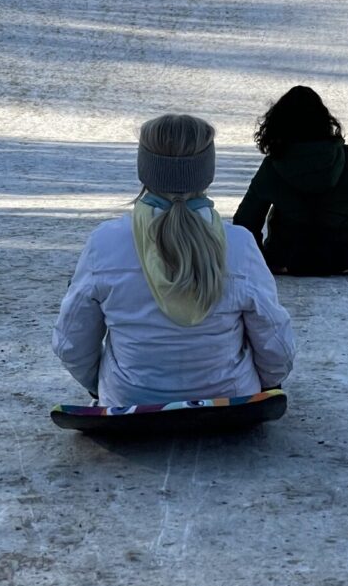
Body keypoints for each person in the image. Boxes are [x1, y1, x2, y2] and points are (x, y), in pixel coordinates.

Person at [53, 114, 295, 407]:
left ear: (145, 168)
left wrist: (100, 386)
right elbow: (273, 337)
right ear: (207, 172)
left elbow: (73, 341)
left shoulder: (105, 244)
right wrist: (269, 382)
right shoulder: (239, 245)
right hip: (230, 397)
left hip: (130, 398)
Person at [233, 87, 348, 276]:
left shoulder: (274, 165)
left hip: (286, 257)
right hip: (341, 256)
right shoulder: (347, 159)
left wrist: (259, 259)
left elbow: (246, 221)